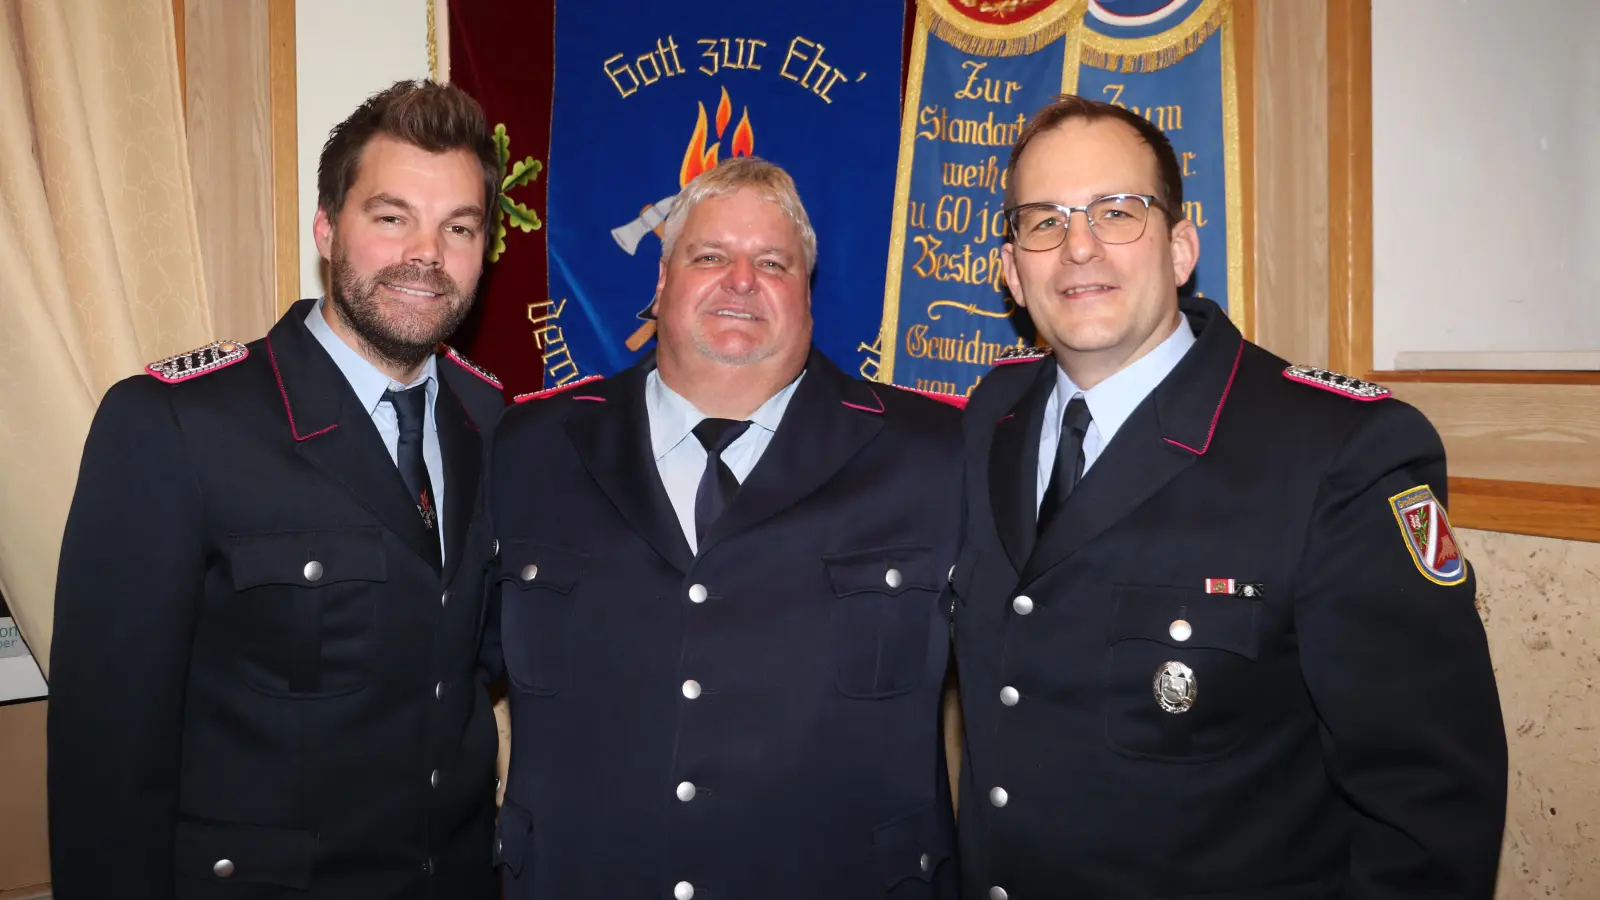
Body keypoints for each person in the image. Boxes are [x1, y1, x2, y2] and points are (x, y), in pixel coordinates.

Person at [949, 96, 1507, 899]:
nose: (1078, 248)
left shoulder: (1336, 453)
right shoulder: (990, 421)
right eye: (1043, 222)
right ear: (1010, 269)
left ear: (1181, 248)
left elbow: (1430, 806)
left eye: (1117, 212)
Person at [49, 80, 507, 899]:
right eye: (392, 216)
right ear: (328, 229)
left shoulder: (493, 422)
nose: (427, 256)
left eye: (460, 228)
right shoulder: (180, 426)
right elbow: (106, 752)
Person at [485, 156, 961, 899]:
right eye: (710, 256)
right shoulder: (528, 448)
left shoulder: (933, 457)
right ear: (661, 282)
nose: (741, 280)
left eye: (773, 262)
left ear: (808, 295)